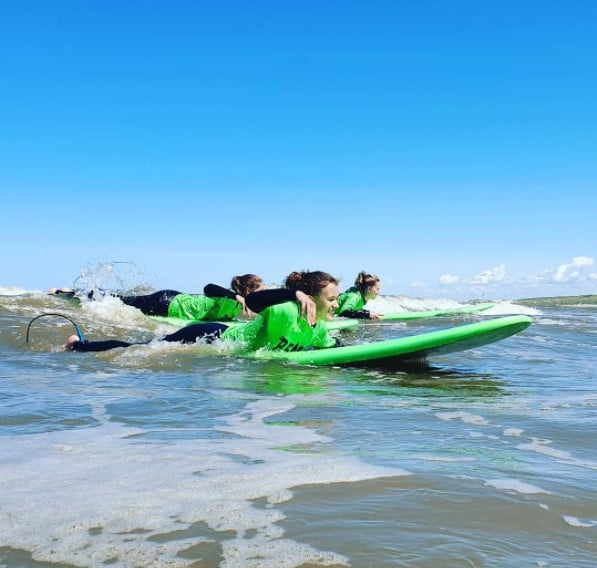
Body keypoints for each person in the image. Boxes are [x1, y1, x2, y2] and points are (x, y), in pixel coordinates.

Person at [63, 270, 342, 353]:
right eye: (331, 299)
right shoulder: (282, 308)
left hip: (219, 328)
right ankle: (79, 344)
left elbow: (332, 347)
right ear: (311, 297)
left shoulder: (317, 327)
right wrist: (295, 293)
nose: (337, 305)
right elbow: (250, 301)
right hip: (202, 327)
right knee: (141, 346)